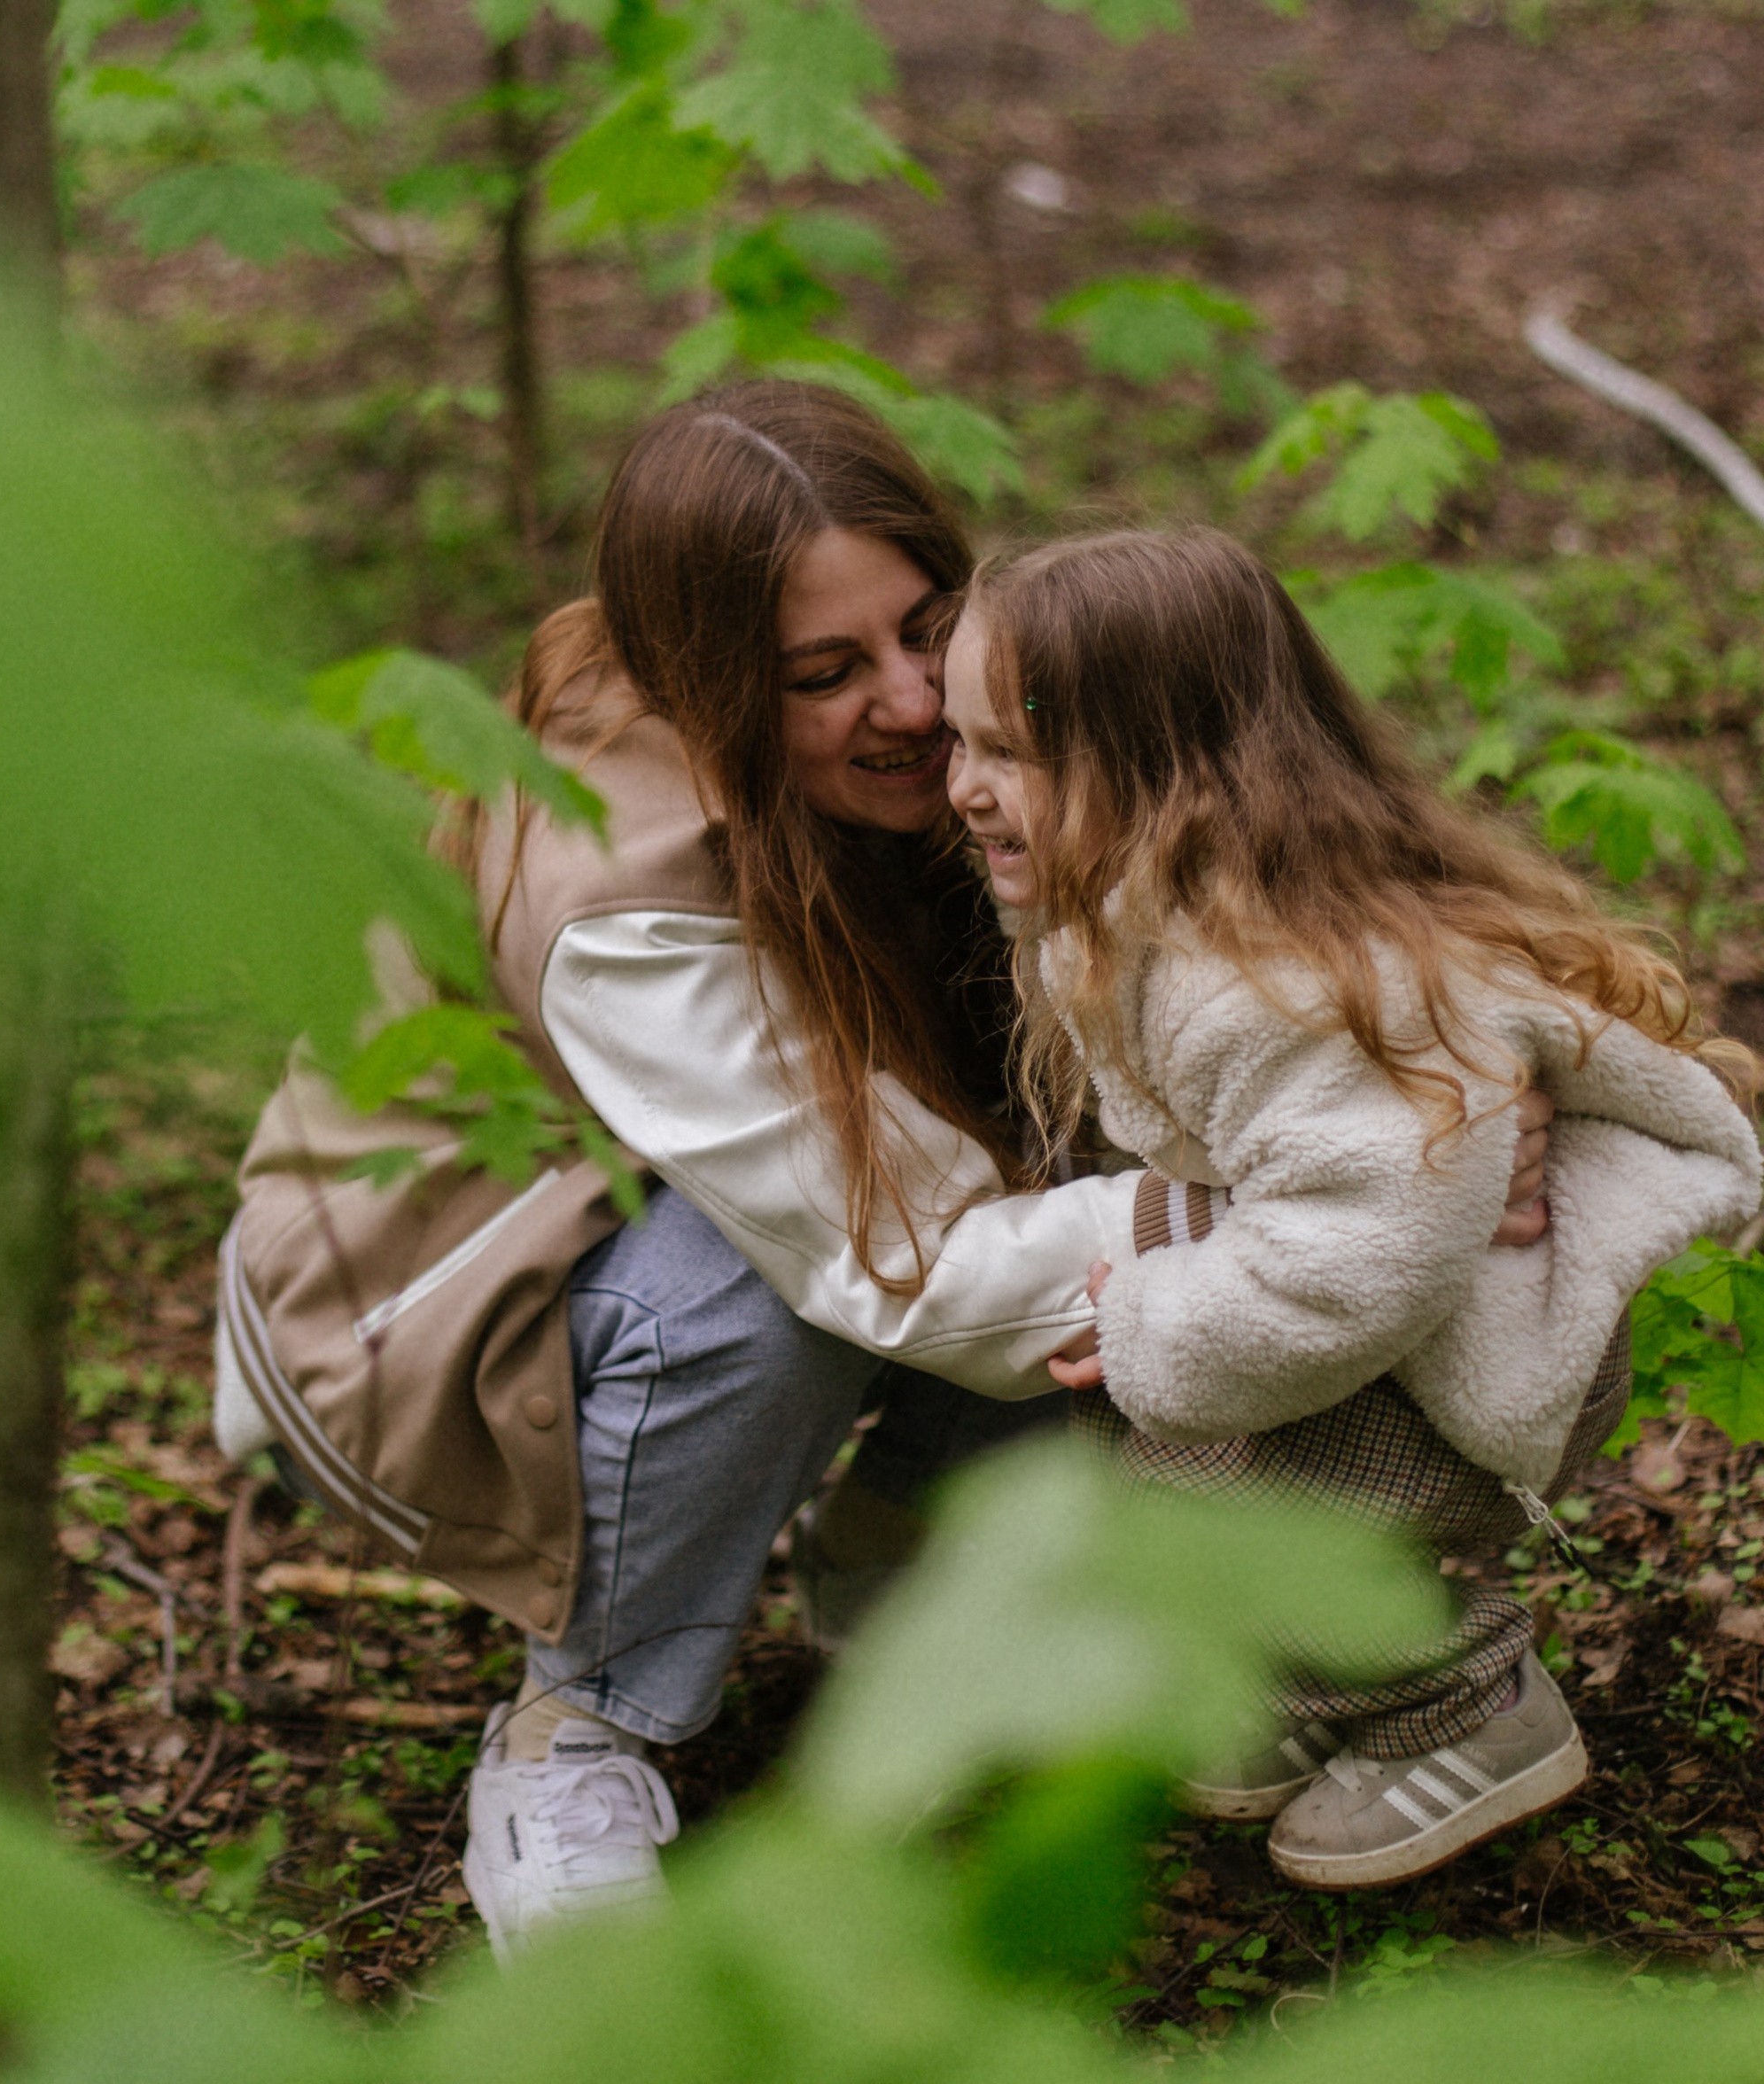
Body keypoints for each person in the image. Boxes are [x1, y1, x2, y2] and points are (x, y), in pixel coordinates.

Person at [212, 386, 1550, 1958]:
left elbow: (1233, 927)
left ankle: (898, 1542)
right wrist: (1293, 1210)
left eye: (927, 629)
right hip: (430, 1318)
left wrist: (1422, 1090)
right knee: (770, 1287)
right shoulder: (626, 907)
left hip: (728, 1220)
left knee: (1062, 1094)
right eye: (825, 674)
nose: (915, 704)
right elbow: (894, 1260)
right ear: (707, 681)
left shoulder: (962, 728)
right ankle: (580, 1730)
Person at [938, 525, 1760, 1889]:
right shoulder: (1164, 906)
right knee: (1169, 1341)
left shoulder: (1274, 983)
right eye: (962, 745)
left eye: (1014, 754)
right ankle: (1293, 1672)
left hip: (1461, 1347)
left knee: (1200, 1420)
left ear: (1169, 767)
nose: (967, 789)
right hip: (1402, 1313)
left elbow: (1350, 1267)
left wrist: (1156, 1326)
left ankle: (1462, 1704)